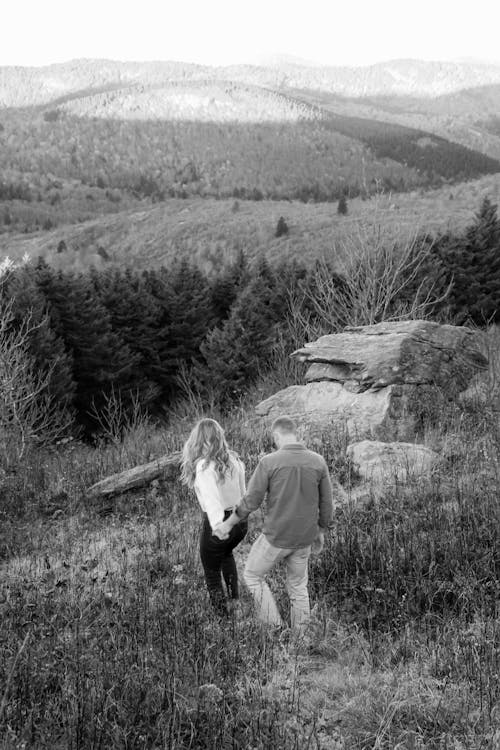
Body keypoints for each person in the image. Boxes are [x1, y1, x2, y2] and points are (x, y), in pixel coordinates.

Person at [215, 415, 334, 632]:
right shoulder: (318, 461)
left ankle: (276, 627)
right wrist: (321, 530)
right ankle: (302, 639)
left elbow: (251, 501)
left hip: (276, 537)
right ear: (295, 433)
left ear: (277, 435)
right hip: (304, 538)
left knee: (252, 575)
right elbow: (327, 504)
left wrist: (229, 523)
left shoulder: (269, 462)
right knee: (298, 587)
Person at [181, 418, 248, 617]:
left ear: (198, 440)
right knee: (226, 555)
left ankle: (223, 619)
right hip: (239, 521)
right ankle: (235, 605)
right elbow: (244, 493)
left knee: (211, 571)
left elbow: (212, 500)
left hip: (221, 523)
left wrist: (219, 526)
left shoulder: (204, 467)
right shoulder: (234, 460)